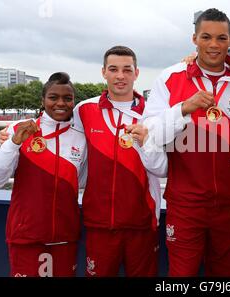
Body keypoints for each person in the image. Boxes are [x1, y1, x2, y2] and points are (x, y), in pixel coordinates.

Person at [142, 8, 230, 276]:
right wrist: (183, 108)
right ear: (194, 39)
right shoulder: (170, 77)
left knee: (224, 276)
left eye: (221, 38)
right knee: (181, 277)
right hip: (186, 204)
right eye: (206, 37)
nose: (214, 45)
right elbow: (150, 133)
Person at [72, 45, 166, 277]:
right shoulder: (84, 110)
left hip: (142, 223)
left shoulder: (153, 115)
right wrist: (12, 133)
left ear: (137, 73)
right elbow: (60, 135)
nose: (120, 76)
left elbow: (163, 168)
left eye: (127, 69)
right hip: (99, 223)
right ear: (104, 72)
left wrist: (147, 143)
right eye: (113, 69)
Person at [0, 72, 87, 277]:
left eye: (68, 98)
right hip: (26, 235)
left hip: (65, 236)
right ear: (43, 100)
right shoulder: (19, 129)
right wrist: (13, 143)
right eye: (53, 97)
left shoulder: (81, 138)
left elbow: (82, 180)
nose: (61, 103)